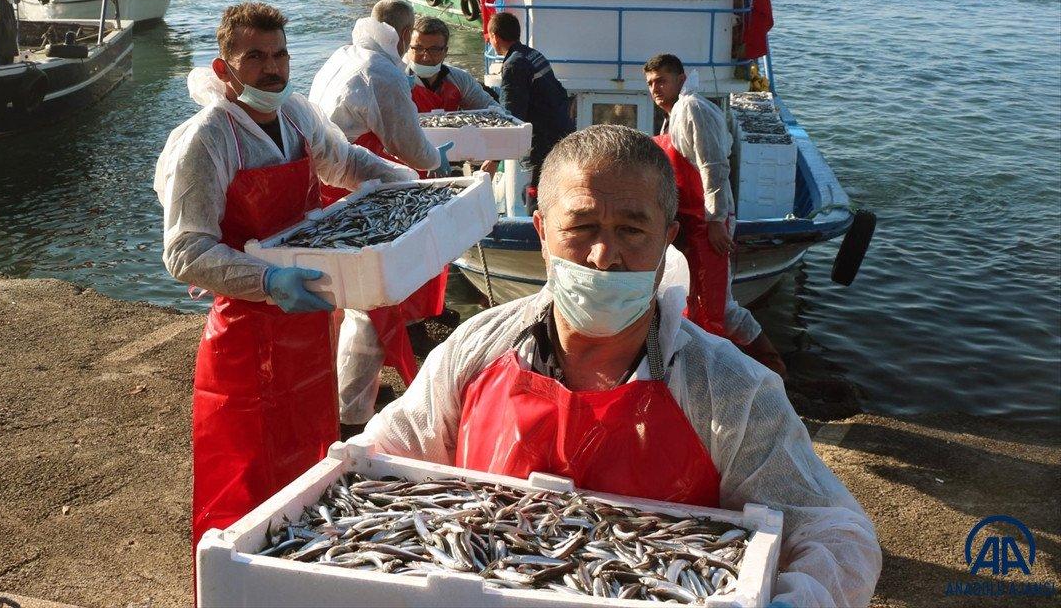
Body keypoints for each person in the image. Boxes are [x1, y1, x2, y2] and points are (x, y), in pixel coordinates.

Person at [359, 125, 882, 608]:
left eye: (632, 230)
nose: (604, 255)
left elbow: (833, 530)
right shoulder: (476, 347)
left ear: (667, 237)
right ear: (541, 231)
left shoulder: (730, 388)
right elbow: (388, 453)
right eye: (582, 226)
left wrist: (800, 597)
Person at [153, 2, 416, 554]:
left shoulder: (297, 115)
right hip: (245, 339)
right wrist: (270, 282)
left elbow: (345, 163)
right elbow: (184, 251)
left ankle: (301, 572)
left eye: (279, 55)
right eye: (255, 57)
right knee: (244, 484)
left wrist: (407, 182)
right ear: (224, 68)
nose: (272, 69)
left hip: (308, 332)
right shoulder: (209, 138)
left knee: (307, 471)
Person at [309, 0, 453, 435]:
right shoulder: (384, 72)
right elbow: (409, 145)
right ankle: (352, 413)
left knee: (334, 302)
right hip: (357, 185)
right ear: (406, 35)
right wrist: (436, 160)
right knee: (370, 309)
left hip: (325, 186)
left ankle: (331, 394)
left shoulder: (343, 56)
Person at [644, 53, 786, 377]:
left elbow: (714, 167)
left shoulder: (692, 108)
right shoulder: (673, 114)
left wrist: (716, 222)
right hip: (691, 221)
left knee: (715, 305)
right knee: (696, 300)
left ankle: (766, 364)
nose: (655, 88)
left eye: (662, 80)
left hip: (708, 221)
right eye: (651, 83)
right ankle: (712, 366)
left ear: (680, 79)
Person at [482, 11, 574, 206]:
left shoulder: (514, 65)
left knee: (539, 194)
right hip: (560, 133)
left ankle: (536, 228)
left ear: (495, 37)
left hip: (542, 142)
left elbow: (511, 117)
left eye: (489, 37)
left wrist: (493, 159)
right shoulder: (533, 54)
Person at [405, 16, 499, 113]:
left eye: (434, 50)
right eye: (418, 49)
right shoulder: (397, 80)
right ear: (408, 48)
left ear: (445, 52)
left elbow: (494, 109)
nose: (426, 57)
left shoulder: (460, 80)